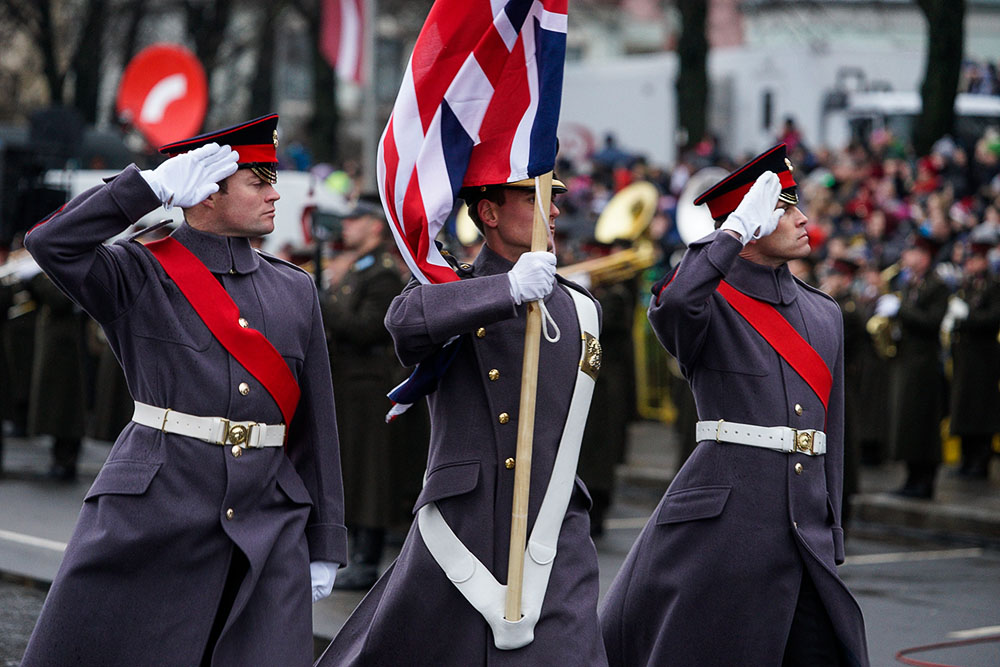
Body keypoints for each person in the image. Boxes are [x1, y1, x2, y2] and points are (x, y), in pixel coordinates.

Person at [20, 114, 347, 667]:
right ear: (206, 194)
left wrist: (326, 540)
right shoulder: (139, 272)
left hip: (269, 524)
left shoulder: (294, 289)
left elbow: (317, 427)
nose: (275, 195)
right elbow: (51, 243)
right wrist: (148, 188)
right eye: (258, 182)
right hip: (158, 511)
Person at [316, 175, 608, 665]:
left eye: (554, 200)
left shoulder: (579, 307)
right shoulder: (452, 290)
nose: (553, 212)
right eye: (534, 200)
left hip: (552, 525)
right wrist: (508, 290)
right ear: (489, 213)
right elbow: (405, 325)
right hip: (464, 524)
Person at [600, 144, 869, 666]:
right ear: (750, 222)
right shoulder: (708, 300)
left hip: (804, 534)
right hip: (727, 534)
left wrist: (833, 528)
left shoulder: (823, 313)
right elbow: (675, 303)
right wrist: (728, 235)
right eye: (785, 207)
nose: (803, 218)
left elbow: (828, 432)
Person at [320, 195, 406, 590]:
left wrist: (319, 301)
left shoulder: (383, 274)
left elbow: (369, 329)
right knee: (352, 471)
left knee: (369, 473)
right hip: (348, 383)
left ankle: (366, 561)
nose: (346, 227)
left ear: (374, 226)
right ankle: (354, 554)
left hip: (370, 384)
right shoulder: (360, 267)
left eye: (354, 221)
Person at [877, 230, 950, 499]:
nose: (905, 257)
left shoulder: (937, 285)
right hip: (907, 362)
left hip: (925, 365)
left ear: (924, 256)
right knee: (907, 423)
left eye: (911, 252)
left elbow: (932, 322)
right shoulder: (910, 283)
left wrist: (901, 310)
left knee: (923, 424)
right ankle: (911, 477)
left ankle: (924, 480)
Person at [947, 226, 1000, 479]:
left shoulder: (993, 285)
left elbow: (992, 318)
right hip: (965, 356)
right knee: (965, 409)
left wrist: (967, 317)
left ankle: (981, 460)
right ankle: (967, 459)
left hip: (984, 357)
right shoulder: (968, 285)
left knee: (982, 410)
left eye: (975, 259)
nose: (970, 264)